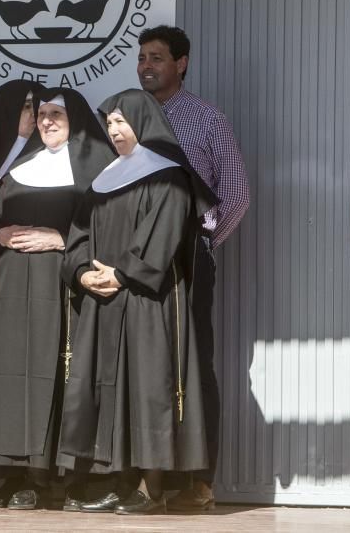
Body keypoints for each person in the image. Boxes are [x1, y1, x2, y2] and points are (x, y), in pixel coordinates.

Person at [58, 88, 217, 515]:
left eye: (121, 121)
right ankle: (115, 479)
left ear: (144, 123)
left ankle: (151, 487)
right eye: (109, 122)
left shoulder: (169, 176)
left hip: (149, 301)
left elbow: (161, 239)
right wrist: (81, 272)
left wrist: (121, 272)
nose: (113, 130)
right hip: (103, 300)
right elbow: (78, 236)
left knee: (148, 389)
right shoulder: (105, 178)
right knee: (107, 389)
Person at [0, 87, 114, 510]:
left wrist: (61, 239)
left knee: (64, 376)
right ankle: (16, 475)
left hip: (64, 287)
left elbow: (110, 227)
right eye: (42, 114)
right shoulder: (20, 166)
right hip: (15, 288)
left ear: (77, 122)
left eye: (57, 114)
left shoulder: (97, 168)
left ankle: (71, 479)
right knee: (12, 377)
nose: (47, 120)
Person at [136, 25, 250, 510]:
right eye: (141, 57)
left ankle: (199, 482)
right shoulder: (126, 118)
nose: (146, 65)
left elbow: (237, 195)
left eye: (156, 57)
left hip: (189, 256)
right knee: (144, 366)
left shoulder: (206, 119)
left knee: (193, 361)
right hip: (136, 259)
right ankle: (146, 481)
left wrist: (202, 245)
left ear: (181, 63)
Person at [0, 79, 39, 181]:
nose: (34, 113)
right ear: (9, 109)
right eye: (27, 106)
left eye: (38, 106)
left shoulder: (46, 155)